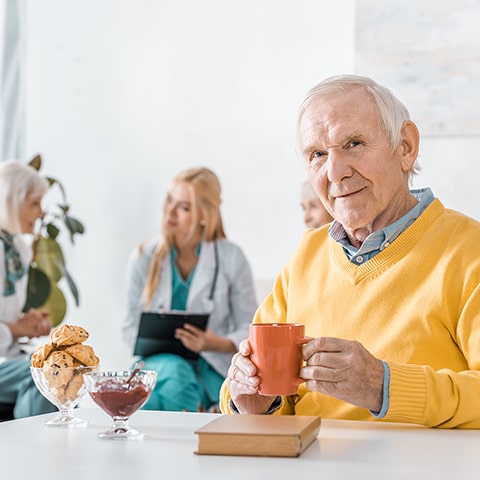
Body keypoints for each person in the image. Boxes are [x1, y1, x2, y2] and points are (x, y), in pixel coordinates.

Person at [219, 74, 480, 429]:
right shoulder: (308, 253)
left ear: (405, 147)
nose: (335, 171)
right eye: (317, 154)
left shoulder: (468, 251)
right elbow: (251, 394)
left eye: (354, 143)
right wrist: (252, 401)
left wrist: (383, 386)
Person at [123, 166, 258, 412]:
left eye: (184, 207)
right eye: (169, 200)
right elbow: (129, 327)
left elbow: (250, 326)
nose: (170, 212)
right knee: (175, 373)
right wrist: (154, 340)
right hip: (159, 365)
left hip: (212, 364)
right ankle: (201, 418)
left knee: (155, 399)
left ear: (205, 215)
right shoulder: (144, 257)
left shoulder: (231, 258)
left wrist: (215, 343)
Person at [0, 160, 56, 419]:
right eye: (34, 204)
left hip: (8, 358)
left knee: (64, 369)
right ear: (11, 201)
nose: (42, 213)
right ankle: (33, 456)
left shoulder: (17, 251)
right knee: (42, 376)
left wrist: (26, 324)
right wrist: (14, 329)